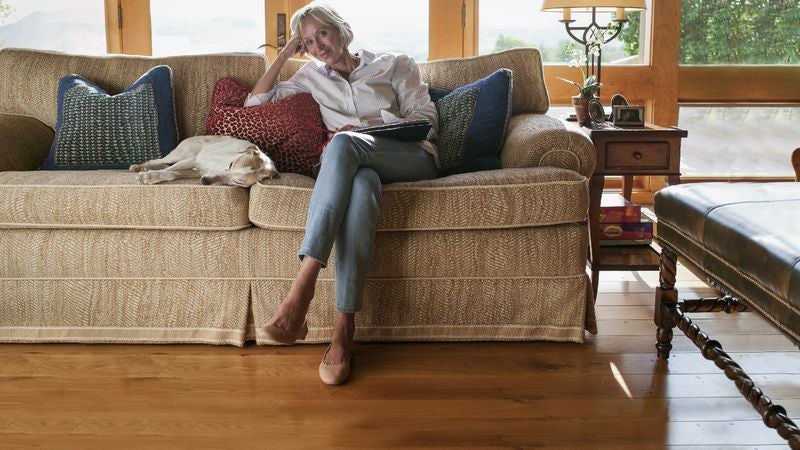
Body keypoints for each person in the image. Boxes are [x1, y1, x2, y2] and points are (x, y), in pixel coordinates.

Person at [247, 2, 439, 385]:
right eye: (307, 41)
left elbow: (426, 120)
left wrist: (370, 133)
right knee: (363, 182)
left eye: (322, 33)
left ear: (341, 29)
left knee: (345, 143)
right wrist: (285, 54)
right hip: (356, 167)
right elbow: (256, 103)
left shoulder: (395, 63)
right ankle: (342, 331)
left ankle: (301, 289)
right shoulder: (309, 78)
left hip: (409, 157)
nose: (317, 46)